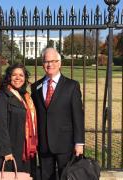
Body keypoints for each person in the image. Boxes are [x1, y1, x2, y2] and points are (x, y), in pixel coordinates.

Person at [31, 48, 85, 180]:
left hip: (65, 144)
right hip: (44, 143)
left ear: (60, 63)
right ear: (42, 64)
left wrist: (79, 143)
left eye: (53, 61)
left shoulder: (72, 86)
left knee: (65, 177)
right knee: (45, 176)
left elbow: (78, 116)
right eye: (46, 61)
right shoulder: (35, 87)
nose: (50, 64)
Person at [0, 63, 38, 178]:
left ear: (25, 78)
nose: (18, 78)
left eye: (21, 75)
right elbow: (0, 126)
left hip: (25, 149)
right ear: (9, 77)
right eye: (14, 75)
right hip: (10, 150)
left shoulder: (26, 97)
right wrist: (6, 151)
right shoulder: (2, 97)